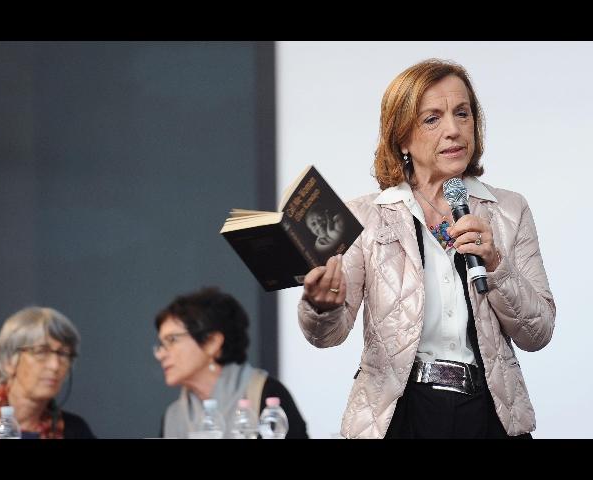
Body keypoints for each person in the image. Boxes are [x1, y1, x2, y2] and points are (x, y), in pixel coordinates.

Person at [298, 59, 555, 439]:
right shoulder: (363, 217)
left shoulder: (509, 210)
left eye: (462, 113)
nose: (453, 129)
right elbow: (326, 336)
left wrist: (496, 264)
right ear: (401, 137)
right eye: (432, 119)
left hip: (489, 410)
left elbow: (538, 333)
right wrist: (321, 307)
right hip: (399, 411)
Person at [153, 287, 309, 438]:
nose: (160, 354)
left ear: (212, 342)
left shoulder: (268, 395)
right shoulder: (173, 415)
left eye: (172, 340)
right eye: (161, 344)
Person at [0, 306, 95, 438]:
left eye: (63, 354)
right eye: (41, 351)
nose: (55, 365)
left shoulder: (76, 430)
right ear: (8, 361)